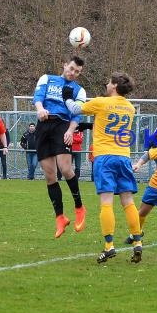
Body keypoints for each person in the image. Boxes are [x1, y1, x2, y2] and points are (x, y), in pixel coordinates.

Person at [63, 72, 143, 263]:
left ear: (114, 85)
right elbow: (107, 123)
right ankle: (137, 242)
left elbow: (75, 108)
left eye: (108, 82)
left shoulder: (101, 102)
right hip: (123, 156)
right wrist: (89, 126)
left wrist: (66, 97)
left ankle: (109, 246)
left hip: (104, 157)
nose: (106, 85)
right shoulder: (130, 108)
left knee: (106, 202)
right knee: (128, 201)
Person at [33, 55, 87, 238]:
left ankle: (79, 207)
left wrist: (71, 131)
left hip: (62, 126)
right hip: (44, 125)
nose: (73, 73)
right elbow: (38, 97)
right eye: (71, 69)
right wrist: (40, 109)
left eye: (77, 72)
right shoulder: (47, 78)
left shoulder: (79, 91)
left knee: (65, 169)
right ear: (65, 65)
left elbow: (77, 115)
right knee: (50, 176)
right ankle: (60, 217)